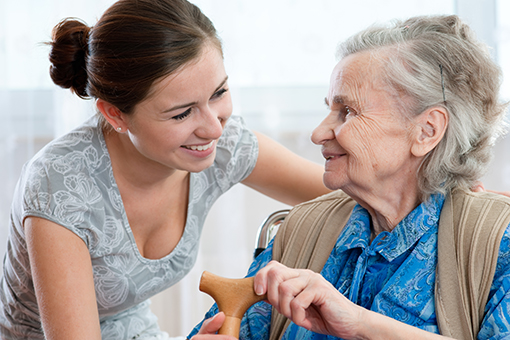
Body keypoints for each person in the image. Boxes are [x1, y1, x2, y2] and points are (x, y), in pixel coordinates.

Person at [0, 0, 331, 339]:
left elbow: (346, 192)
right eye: (181, 114)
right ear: (115, 114)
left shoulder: (223, 145)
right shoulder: (59, 187)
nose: (214, 129)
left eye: (218, 93)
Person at [189, 14, 510, 340]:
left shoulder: (496, 242)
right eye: (329, 109)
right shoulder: (303, 229)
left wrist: (360, 324)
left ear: (427, 131)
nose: (318, 133)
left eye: (348, 111)